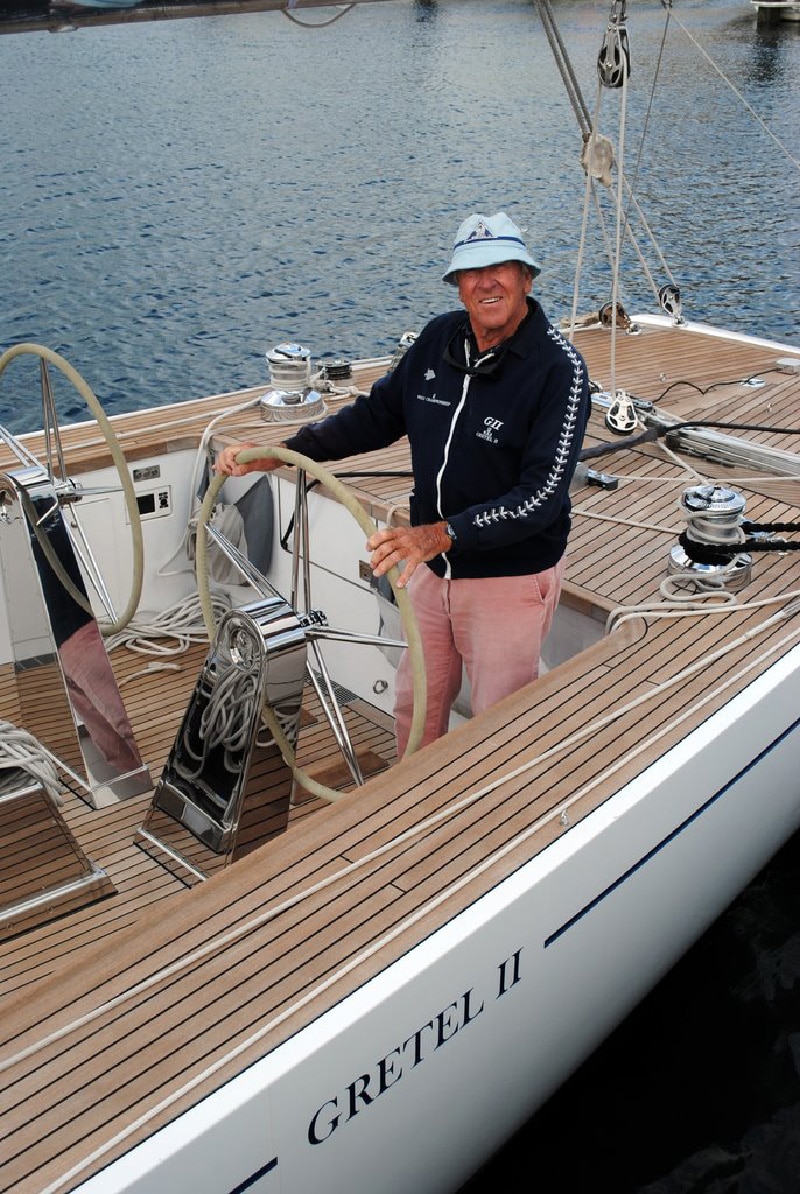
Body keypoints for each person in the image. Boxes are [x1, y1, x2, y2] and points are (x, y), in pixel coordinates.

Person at [215, 211, 591, 756]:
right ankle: (409, 817)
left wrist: (439, 535)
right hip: (430, 570)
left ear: (526, 278)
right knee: (416, 708)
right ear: (458, 285)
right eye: (471, 271)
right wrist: (280, 456)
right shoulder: (441, 338)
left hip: (506, 579)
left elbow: (539, 499)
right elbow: (374, 417)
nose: (486, 282)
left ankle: (498, 827)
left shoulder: (561, 370)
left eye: (500, 268)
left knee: (500, 730)